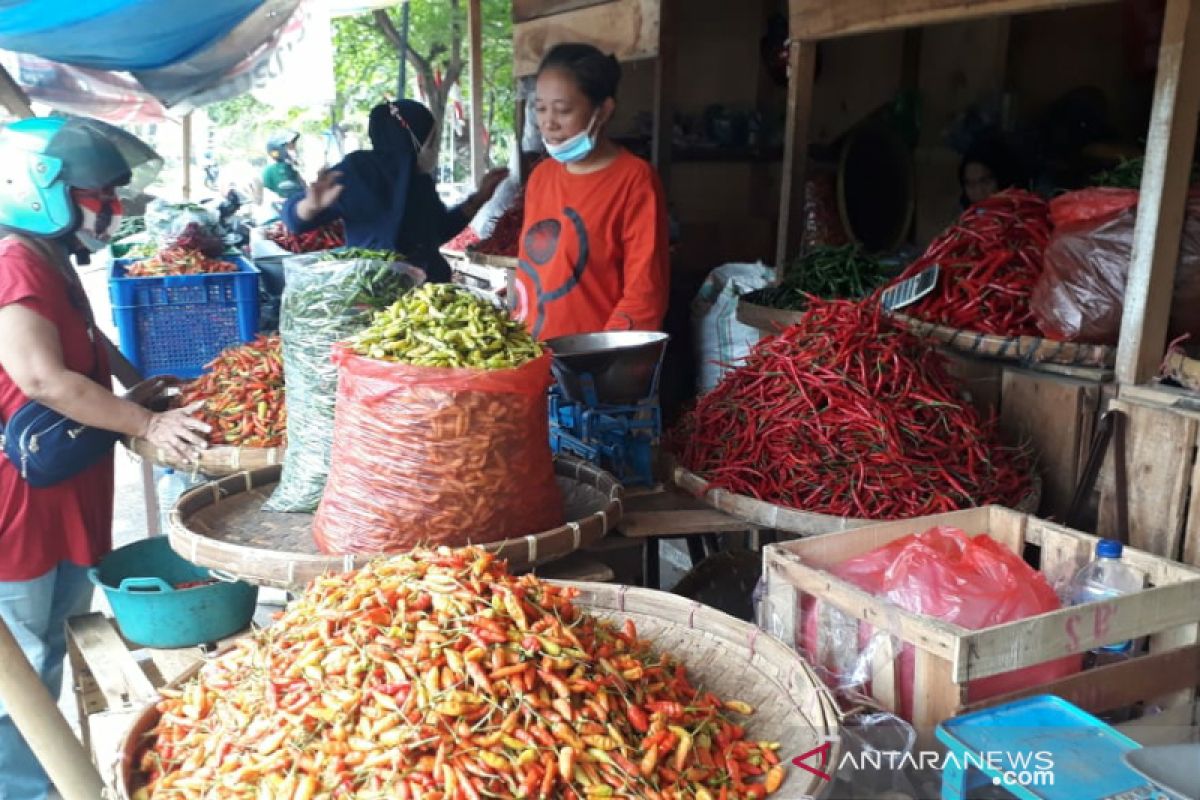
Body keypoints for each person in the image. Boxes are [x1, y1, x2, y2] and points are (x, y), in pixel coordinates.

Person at [0, 115, 210, 799]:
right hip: (22, 499)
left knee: (54, 637)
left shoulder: (51, 257)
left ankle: (45, 776)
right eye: (100, 194)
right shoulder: (15, 262)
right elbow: (42, 379)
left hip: (68, 484)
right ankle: (27, 789)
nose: (112, 210)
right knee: (22, 656)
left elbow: (86, 343)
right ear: (43, 189)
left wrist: (134, 387)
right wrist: (144, 421)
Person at [516, 43, 670, 340]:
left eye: (562, 110)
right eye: (540, 108)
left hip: (595, 363)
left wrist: (601, 360)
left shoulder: (634, 179)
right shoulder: (541, 177)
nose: (548, 122)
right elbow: (532, 271)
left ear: (603, 111)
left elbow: (645, 291)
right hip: (532, 354)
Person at [283, 100, 508, 283]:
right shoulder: (359, 171)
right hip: (374, 291)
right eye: (432, 141)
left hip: (427, 296)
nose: (434, 149)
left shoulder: (421, 181)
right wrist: (309, 207)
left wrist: (479, 198)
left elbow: (437, 232)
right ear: (414, 140)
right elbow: (295, 222)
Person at [959, 136, 1020, 208]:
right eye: (971, 184)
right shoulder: (964, 217)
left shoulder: (1027, 214)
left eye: (986, 182)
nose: (979, 191)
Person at [262, 131, 304, 200]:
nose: (294, 149)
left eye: (293, 145)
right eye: (290, 146)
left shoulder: (291, 168)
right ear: (278, 149)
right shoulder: (270, 171)